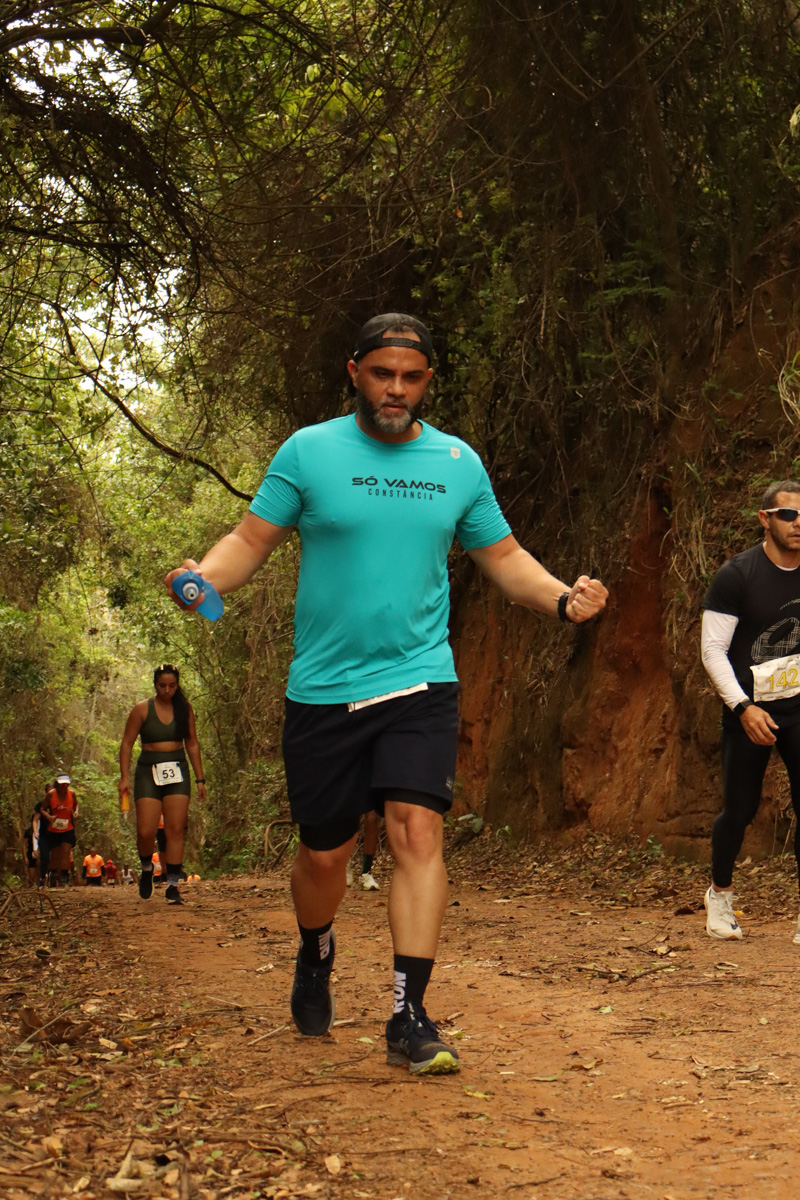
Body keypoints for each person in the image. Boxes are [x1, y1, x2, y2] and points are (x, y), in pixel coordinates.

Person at [165, 312, 607, 1075]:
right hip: (323, 690)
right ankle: (315, 949)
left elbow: (504, 559)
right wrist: (202, 576)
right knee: (324, 855)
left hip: (419, 680)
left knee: (417, 833)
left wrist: (563, 598)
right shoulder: (309, 452)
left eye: (410, 377)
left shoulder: (458, 463)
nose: (396, 389)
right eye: (381, 374)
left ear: (427, 380)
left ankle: (409, 1015)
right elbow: (249, 542)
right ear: (355, 373)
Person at [702, 479, 800, 942]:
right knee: (738, 812)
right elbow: (712, 651)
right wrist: (743, 707)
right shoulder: (736, 575)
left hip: (799, 708)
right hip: (750, 712)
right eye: (789, 515)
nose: (798, 524)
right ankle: (720, 895)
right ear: (765, 519)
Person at [118, 664, 206, 905]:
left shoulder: (184, 709)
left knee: (175, 829)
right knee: (146, 831)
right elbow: (126, 743)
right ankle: (147, 867)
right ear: (155, 685)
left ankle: (173, 885)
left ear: (177, 685)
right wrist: (124, 777)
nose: (167, 690)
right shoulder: (141, 710)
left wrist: (200, 778)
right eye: (162, 686)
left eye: (172, 686)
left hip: (177, 770)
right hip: (148, 771)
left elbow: (192, 743)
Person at [42, 774, 78, 887]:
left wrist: (76, 812)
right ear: (57, 784)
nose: (64, 786)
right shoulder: (51, 794)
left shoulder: (72, 794)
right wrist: (48, 816)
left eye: (66, 784)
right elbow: (43, 809)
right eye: (62, 784)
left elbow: (76, 805)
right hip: (54, 828)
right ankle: (52, 877)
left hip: (68, 827)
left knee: (66, 852)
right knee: (55, 854)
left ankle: (64, 879)